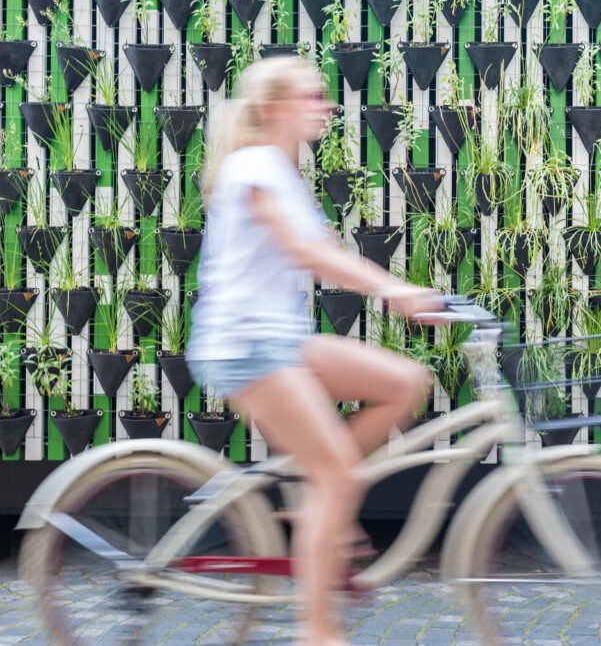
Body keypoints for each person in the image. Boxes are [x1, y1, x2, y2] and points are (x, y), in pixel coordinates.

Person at [187, 56, 442, 646]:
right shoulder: (254, 166)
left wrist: (408, 290)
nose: (324, 105)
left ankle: (316, 504)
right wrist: (393, 289)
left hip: (282, 340)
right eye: (310, 96)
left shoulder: (283, 167)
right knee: (335, 477)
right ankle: (318, 632)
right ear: (274, 107)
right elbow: (306, 251)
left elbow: (323, 246)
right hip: (246, 345)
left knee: (405, 381)